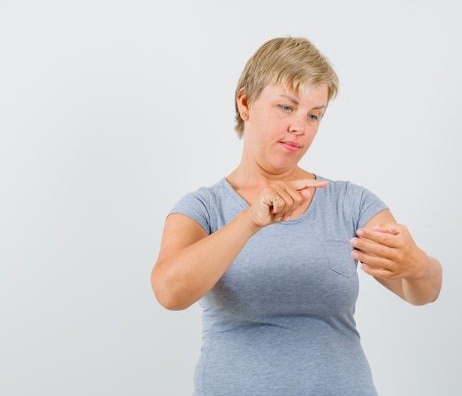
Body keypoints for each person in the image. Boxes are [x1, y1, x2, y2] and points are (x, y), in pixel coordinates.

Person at [151, 36, 443, 396]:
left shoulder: (349, 203)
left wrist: (416, 265)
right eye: (286, 107)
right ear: (245, 103)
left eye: (314, 115)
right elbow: (169, 292)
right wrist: (250, 222)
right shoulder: (203, 208)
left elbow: (424, 291)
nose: (300, 128)